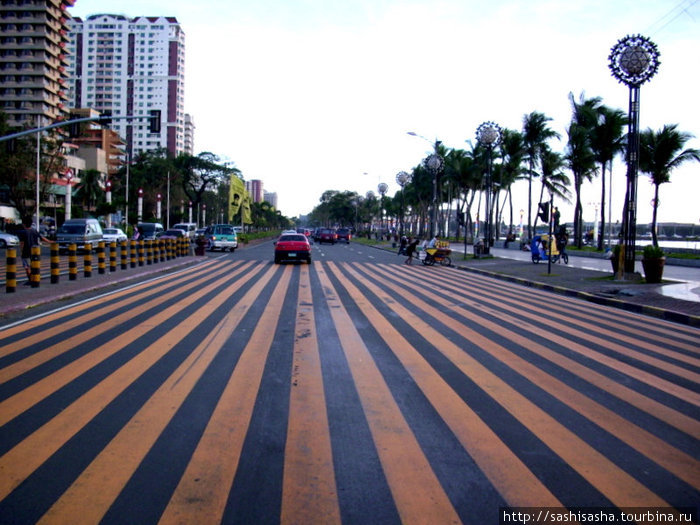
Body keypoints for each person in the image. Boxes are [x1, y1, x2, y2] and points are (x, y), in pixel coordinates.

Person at [17, 217, 52, 285]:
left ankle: (30, 279)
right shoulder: (34, 231)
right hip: (35, 251)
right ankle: (35, 278)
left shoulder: (23, 232)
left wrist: (21, 251)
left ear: (23, 224)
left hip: (26, 251)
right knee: (34, 265)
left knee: (27, 267)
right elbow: (41, 238)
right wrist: (49, 241)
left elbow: (22, 243)